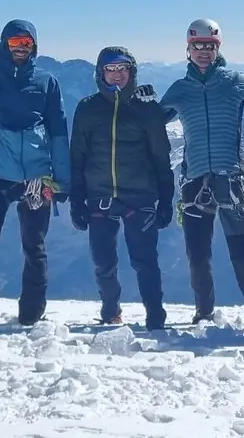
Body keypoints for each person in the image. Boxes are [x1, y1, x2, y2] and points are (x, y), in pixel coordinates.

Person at [159, 19, 244, 328]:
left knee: (243, 251)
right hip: (195, 181)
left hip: (231, 180)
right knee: (198, 254)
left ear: (218, 48)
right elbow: (150, 122)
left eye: (209, 46)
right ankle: (203, 313)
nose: (203, 52)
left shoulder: (233, 81)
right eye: (197, 46)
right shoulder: (180, 89)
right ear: (188, 49)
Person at [0, 20, 71, 333]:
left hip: (36, 179)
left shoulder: (47, 82)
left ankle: (31, 315)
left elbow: (59, 133)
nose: (21, 48)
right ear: (4, 44)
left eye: (26, 43)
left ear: (34, 46)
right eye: (15, 42)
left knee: (35, 248)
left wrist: (62, 180)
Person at [69, 46, 175, 330]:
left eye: (122, 68)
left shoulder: (146, 110)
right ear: (100, 73)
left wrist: (167, 200)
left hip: (139, 196)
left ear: (132, 71)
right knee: (103, 262)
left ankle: (155, 316)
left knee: (145, 261)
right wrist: (76, 201)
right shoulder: (88, 108)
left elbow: (161, 157)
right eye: (110, 69)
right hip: (99, 196)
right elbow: (77, 156)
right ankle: (110, 310)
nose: (117, 75)